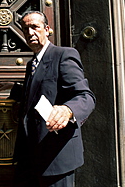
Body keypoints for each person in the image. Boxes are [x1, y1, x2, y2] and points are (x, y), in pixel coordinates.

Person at [13, 11, 96, 187]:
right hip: (30, 157)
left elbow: (85, 96)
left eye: (34, 27)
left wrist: (67, 110)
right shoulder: (32, 64)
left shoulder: (64, 55)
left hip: (56, 157)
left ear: (47, 29)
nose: (29, 33)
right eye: (25, 29)